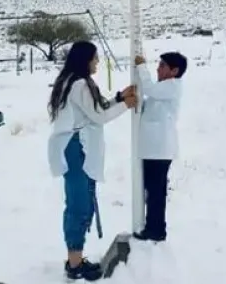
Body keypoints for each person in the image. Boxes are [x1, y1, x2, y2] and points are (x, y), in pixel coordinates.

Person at [48, 41, 137, 281]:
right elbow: (98, 116)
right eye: (95, 58)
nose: (98, 62)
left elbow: (92, 109)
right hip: (78, 149)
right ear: (85, 60)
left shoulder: (71, 81)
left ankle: (75, 259)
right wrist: (126, 106)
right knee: (79, 205)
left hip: (73, 147)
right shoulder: (79, 84)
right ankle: (75, 265)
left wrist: (118, 97)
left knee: (78, 202)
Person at [131, 51, 187, 242]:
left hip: (160, 149)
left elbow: (149, 89)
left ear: (174, 70)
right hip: (153, 149)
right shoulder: (164, 89)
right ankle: (153, 226)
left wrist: (141, 67)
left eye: (162, 65)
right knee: (152, 190)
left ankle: (156, 230)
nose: (158, 68)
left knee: (155, 191)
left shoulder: (171, 86)